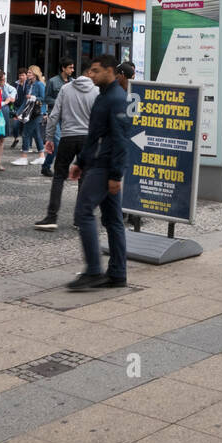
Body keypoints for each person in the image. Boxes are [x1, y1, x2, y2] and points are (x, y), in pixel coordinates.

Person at [67, 55, 131, 289]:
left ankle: (94, 271)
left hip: (103, 167)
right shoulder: (104, 96)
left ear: (110, 71)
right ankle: (117, 274)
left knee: (83, 212)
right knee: (113, 220)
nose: (90, 75)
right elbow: (95, 134)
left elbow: (121, 139)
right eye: (90, 71)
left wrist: (115, 175)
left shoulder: (115, 98)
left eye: (95, 71)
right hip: (97, 163)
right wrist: (80, 161)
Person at [36, 58, 98, 231]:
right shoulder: (96, 91)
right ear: (90, 73)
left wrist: (49, 138)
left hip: (67, 137)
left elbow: (54, 115)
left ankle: (51, 217)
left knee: (59, 177)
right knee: (84, 179)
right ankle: (79, 219)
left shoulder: (66, 88)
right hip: (87, 139)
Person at [40, 58, 75, 176]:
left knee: (67, 144)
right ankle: (49, 166)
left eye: (73, 67)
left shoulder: (73, 82)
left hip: (68, 117)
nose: (72, 70)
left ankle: (46, 166)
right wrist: (59, 102)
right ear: (63, 68)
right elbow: (46, 98)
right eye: (70, 67)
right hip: (55, 116)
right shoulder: (53, 81)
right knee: (57, 141)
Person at [11, 64, 46, 165]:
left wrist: (33, 97)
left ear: (35, 74)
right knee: (36, 134)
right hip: (28, 112)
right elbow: (25, 101)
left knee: (26, 133)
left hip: (36, 113)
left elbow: (44, 99)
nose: (27, 74)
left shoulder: (40, 84)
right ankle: (41, 156)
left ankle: (24, 157)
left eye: (29, 72)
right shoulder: (29, 84)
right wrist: (18, 113)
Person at [0, 69, 15, 171]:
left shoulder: (5, 86)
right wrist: (5, 102)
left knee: (1, 139)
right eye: (2, 80)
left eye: (4, 80)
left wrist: (11, 97)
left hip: (4, 114)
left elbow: (13, 90)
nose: (4, 82)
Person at [10, 68, 30, 148]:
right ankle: (16, 138)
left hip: (26, 108)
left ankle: (26, 145)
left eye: (23, 75)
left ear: (26, 76)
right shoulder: (15, 85)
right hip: (17, 108)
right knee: (15, 125)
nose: (21, 77)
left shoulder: (29, 84)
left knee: (26, 126)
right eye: (20, 75)